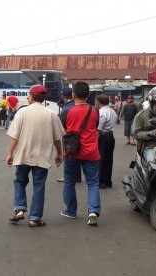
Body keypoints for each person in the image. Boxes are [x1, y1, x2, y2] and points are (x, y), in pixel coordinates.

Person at [6, 85, 65, 227]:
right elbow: (57, 138)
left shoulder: (22, 112)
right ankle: (34, 218)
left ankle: (19, 210)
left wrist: (10, 154)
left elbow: (14, 136)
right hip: (41, 157)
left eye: (28, 95)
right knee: (39, 186)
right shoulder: (51, 114)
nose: (27, 97)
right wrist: (59, 154)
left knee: (19, 182)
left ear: (32, 96)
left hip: (23, 156)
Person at [60, 81, 101, 226]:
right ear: (88, 95)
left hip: (72, 151)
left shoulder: (66, 111)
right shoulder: (95, 111)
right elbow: (95, 127)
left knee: (69, 181)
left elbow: (63, 129)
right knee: (93, 182)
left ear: (73, 94)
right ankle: (93, 211)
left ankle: (70, 211)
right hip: (91, 152)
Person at [57, 87, 82, 183]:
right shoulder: (76, 104)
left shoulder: (66, 108)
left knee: (69, 155)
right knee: (78, 154)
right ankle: (77, 176)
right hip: (80, 133)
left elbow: (61, 124)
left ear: (63, 96)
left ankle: (68, 177)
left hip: (69, 135)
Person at [96, 94, 117, 189]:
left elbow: (99, 129)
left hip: (103, 136)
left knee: (101, 159)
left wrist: (95, 140)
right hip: (110, 136)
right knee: (109, 159)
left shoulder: (101, 112)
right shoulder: (112, 111)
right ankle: (108, 180)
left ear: (99, 102)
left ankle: (101, 181)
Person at [133, 88, 156, 164]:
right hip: (149, 146)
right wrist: (153, 133)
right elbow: (136, 134)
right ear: (152, 103)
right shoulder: (141, 116)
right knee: (152, 160)